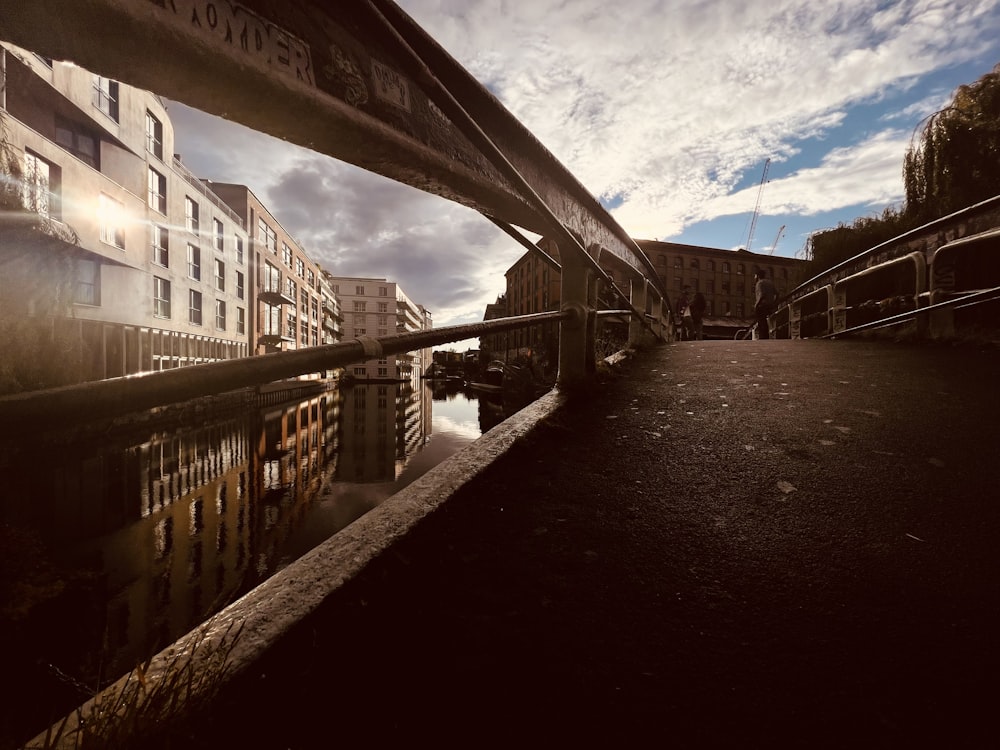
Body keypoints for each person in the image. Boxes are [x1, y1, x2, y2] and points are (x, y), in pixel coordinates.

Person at [753, 269, 778, 339]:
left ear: (758, 276)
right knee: (768, 322)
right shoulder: (770, 283)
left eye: (755, 276)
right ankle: (767, 337)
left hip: (762, 306)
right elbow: (777, 294)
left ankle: (763, 338)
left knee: (761, 323)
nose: (754, 278)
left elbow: (762, 294)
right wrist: (774, 302)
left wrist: (756, 304)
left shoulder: (759, 283)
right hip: (770, 306)